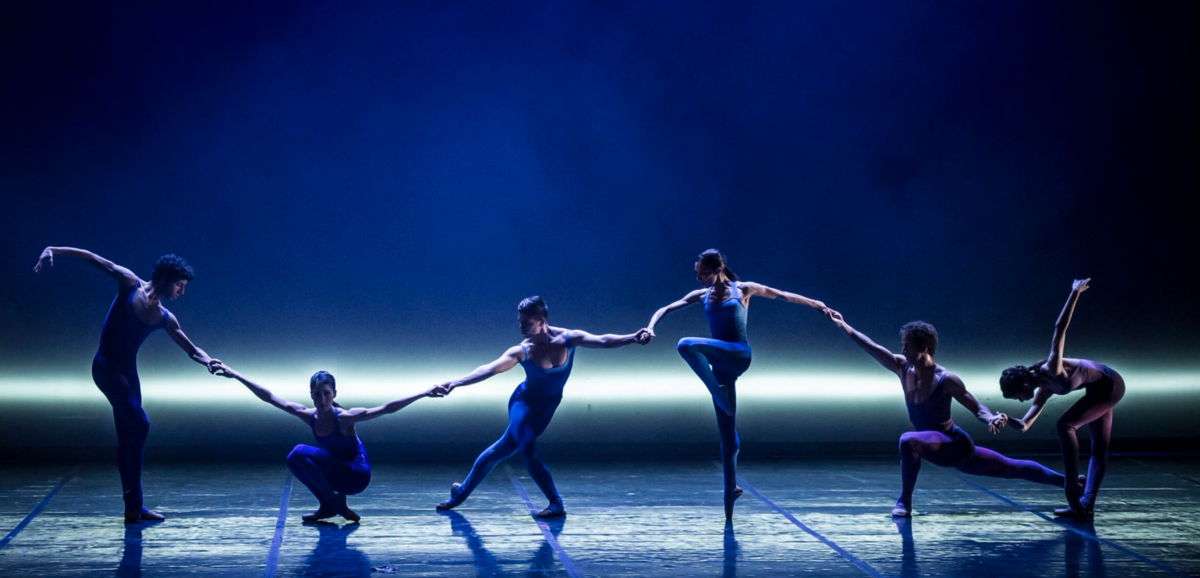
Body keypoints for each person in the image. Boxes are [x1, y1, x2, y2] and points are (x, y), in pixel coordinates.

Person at [34, 247, 221, 523]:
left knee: (128, 437)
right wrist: (52, 250)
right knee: (140, 425)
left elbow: (191, 348)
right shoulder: (129, 282)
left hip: (128, 373)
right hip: (106, 367)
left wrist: (209, 362)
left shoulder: (164, 317)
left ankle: (133, 507)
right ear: (166, 278)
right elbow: (93, 258)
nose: (181, 291)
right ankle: (133, 501)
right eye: (179, 285)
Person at [826, 310, 1074, 517]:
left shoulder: (945, 379)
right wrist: (844, 325)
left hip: (954, 444)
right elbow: (872, 348)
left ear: (923, 347)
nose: (902, 350)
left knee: (908, 440)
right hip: (939, 447)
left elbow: (976, 406)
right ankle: (1072, 483)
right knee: (1012, 468)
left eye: (907, 346)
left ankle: (904, 502)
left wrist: (991, 418)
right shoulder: (902, 367)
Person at [644, 249, 827, 520]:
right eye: (696, 274)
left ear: (718, 269)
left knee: (685, 344)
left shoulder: (742, 290)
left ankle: (719, 394)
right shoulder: (701, 296)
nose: (699, 279)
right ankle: (731, 490)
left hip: (739, 354)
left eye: (703, 274)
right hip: (720, 366)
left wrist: (817, 304)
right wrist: (650, 326)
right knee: (727, 436)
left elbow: (782, 295)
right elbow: (666, 308)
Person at [433, 296, 650, 517]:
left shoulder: (568, 338)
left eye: (526, 323)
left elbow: (603, 340)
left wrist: (633, 337)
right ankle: (556, 503)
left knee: (500, 450)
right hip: (523, 403)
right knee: (527, 449)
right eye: (519, 322)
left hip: (546, 408)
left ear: (541, 320)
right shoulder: (523, 350)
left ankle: (460, 492)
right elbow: (489, 369)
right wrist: (455, 383)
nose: (521, 327)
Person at [215, 365, 440, 522]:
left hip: (357, 476)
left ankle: (334, 504)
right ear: (311, 395)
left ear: (334, 394)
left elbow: (386, 408)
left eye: (326, 394)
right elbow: (270, 397)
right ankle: (328, 507)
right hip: (339, 474)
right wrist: (235, 374)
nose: (322, 399)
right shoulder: (309, 415)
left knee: (298, 452)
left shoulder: (344, 417)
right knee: (293, 460)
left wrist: (423, 393)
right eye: (317, 394)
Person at [997, 278, 1123, 520]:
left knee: (1064, 425)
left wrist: (1074, 292)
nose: (1021, 401)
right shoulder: (1043, 389)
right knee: (1099, 449)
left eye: (1018, 397)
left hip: (1111, 384)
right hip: (1097, 391)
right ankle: (1085, 505)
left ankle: (1072, 486)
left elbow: (1059, 329)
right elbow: (1025, 425)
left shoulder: (1051, 369)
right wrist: (1005, 418)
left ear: (1024, 385)